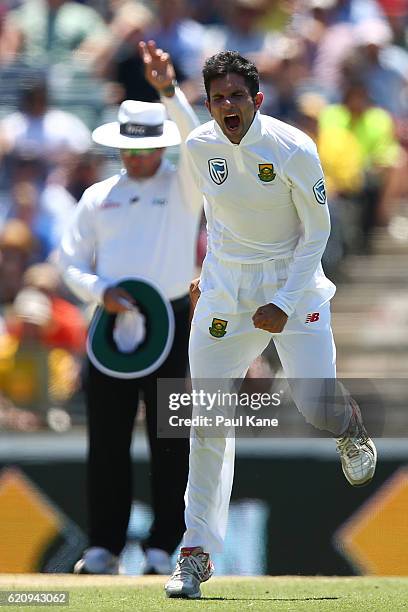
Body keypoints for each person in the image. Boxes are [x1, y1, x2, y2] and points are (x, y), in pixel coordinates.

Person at [164, 51, 377, 599]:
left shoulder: (292, 148)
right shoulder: (200, 145)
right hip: (226, 293)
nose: (227, 106)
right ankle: (195, 554)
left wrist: (283, 301)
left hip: (294, 282)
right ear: (208, 105)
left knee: (313, 404)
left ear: (256, 100)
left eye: (237, 96)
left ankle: (348, 425)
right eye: (217, 99)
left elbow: (318, 232)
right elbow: (208, 212)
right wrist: (205, 279)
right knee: (206, 414)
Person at [58, 40, 202, 575]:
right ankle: (104, 546)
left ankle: (165, 545)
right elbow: (70, 261)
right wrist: (100, 293)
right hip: (112, 322)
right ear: (119, 148)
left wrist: (169, 90)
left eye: (148, 148)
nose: (140, 157)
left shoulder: (184, 183)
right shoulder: (98, 196)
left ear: (160, 147)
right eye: (131, 149)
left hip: (172, 320)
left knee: (170, 438)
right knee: (107, 439)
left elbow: (197, 140)